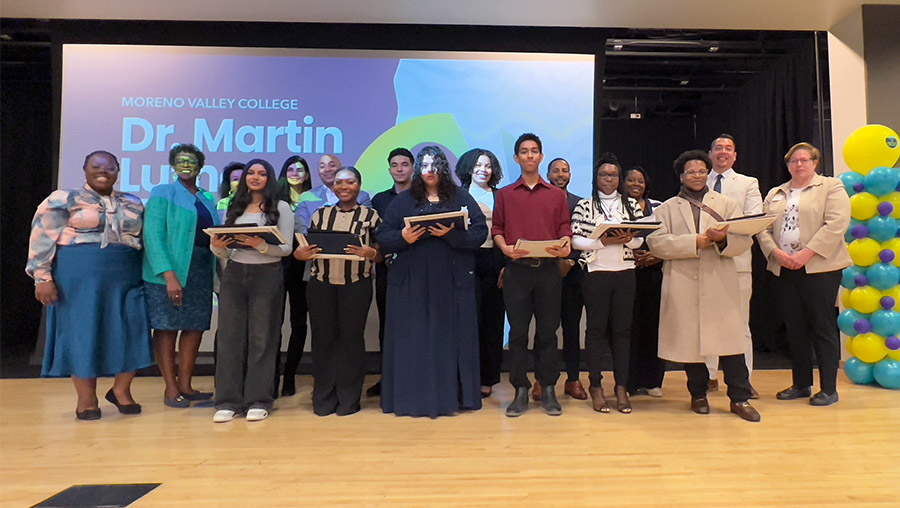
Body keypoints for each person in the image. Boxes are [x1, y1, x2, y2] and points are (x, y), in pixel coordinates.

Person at [27, 150, 152, 420]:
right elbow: (42, 237)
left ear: (118, 171)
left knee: (132, 329)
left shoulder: (133, 201)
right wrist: (42, 277)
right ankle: (86, 400)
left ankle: (121, 391)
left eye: (109, 167)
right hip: (79, 276)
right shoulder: (63, 198)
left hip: (127, 275)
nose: (102, 171)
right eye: (96, 166)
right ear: (85, 169)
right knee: (83, 333)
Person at [646, 150, 760, 422]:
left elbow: (745, 241)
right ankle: (698, 394)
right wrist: (693, 242)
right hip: (683, 282)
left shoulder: (727, 204)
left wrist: (722, 240)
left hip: (719, 281)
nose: (696, 176)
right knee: (691, 343)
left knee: (731, 344)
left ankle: (740, 397)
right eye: (690, 172)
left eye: (701, 171)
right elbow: (656, 243)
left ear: (708, 173)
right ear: (681, 176)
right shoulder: (666, 208)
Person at [376, 146, 488, 418]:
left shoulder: (460, 197)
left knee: (449, 341)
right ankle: (410, 398)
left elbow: (480, 232)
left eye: (435, 166)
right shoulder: (403, 201)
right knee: (414, 340)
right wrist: (404, 238)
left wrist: (451, 235)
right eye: (425, 167)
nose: (430, 172)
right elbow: (383, 236)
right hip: (412, 284)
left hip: (451, 282)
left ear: (443, 169)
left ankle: (454, 397)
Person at [757, 142, 851, 406]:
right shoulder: (776, 192)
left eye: (804, 160)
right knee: (794, 327)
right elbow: (762, 227)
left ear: (815, 163)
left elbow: (836, 224)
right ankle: (801, 384)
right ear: (787, 165)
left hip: (820, 268)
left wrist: (805, 254)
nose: (799, 164)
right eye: (793, 161)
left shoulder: (831, 187)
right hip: (784, 267)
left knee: (822, 327)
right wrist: (776, 253)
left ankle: (829, 389)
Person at [492, 133, 573, 417]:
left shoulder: (555, 194)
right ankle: (520, 389)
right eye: (524, 151)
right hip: (517, 272)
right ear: (516, 158)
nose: (529, 155)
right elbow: (498, 228)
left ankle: (548, 387)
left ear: (540, 157)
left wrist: (566, 244)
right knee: (517, 334)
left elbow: (564, 226)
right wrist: (505, 249)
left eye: (534, 151)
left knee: (549, 334)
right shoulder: (504, 194)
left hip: (549, 272)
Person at [209, 159, 294, 422]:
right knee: (230, 338)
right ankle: (228, 400)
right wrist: (216, 245)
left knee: (262, 338)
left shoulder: (281, 207)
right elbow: (225, 252)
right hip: (234, 273)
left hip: (266, 274)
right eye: (251, 173)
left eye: (262, 173)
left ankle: (259, 399)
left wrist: (261, 245)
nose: (256, 177)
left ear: (269, 178)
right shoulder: (234, 206)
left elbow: (287, 248)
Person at [294, 167, 381, 416]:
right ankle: (323, 397)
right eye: (339, 182)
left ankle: (349, 399)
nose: (344, 186)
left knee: (351, 342)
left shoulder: (371, 216)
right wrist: (300, 255)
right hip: (321, 285)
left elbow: (381, 253)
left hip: (356, 285)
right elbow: (307, 250)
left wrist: (372, 253)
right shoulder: (319, 216)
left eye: (350, 182)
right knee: (323, 341)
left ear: (359, 186)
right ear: (333, 187)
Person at [143, 143, 218, 408]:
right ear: (173, 166)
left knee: (195, 327)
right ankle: (171, 388)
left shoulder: (208, 198)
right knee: (166, 328)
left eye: (191, 162)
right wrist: (169, 276)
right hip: (169, 271)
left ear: (201, 167)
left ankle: (186, 384)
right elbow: (153, 235)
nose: (186, 166)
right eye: (180, 161)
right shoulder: (163, 192)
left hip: (200, 269)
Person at [570, 153, 644, 413]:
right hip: (595, 271)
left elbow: (640, 240)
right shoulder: (585, 205)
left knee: (623, 331)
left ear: (619, 178)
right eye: (604, 174)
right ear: (596, 178)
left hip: (625, 271)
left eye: (613, 175)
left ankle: (621, 387)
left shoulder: (632, 205)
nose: (609, 179)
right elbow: (576, 240)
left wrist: (626, 238)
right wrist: (603, 241)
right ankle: (596, 386)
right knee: (596, 331)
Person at [705, 134, 763, 397]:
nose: (723, 152)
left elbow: (753, 220)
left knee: (740, 322)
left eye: (728, 148)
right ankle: (710, 376)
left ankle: (743, 379)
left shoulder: (748, 183)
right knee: (706, 321)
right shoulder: (697, 180)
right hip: (704, 261)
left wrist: (722, 234)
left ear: (735, 155)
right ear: (710, 153)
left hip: (737, 262)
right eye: (718, 148)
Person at [455, 148, 507, 399]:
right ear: (467, 167)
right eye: (477, 165)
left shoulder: (502, 196)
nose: (482, 170)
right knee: (466, 322)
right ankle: (465, 376)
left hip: (494, 260)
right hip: (466, 260)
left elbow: (509, 231)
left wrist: (507, 264)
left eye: (487, 165)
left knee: (492, 321)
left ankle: (487, 378)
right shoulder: (457, 196)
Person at [366, 147, 414, 398]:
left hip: (416, 270)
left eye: (404, 164)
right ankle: (388, 379)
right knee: (387, 325)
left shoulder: (421, 197)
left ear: (412, 168)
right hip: (386, 270)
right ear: (389, 170)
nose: (399, 169)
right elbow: (375, 234)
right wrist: (380, 250)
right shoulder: (380, 200)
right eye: (394, 165)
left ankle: (413, 379)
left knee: (415, 325)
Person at [539, 157, 587, 401]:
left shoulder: (580, 203)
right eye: (555, 171)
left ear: (570, 175)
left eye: (564, 170)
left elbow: (583, 235)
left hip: (572, 276)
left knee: (571, 329)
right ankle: (541, 379)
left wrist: (569, 261)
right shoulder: (539, 200)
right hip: (544, 273)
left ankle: (574, 379)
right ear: (547, 175)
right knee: (545, 330)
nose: (560, 174)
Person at [623, 166, 666, 398]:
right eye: (631, 180)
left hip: (653, 272)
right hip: (626, 270)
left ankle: (653, 381)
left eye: (640, 180)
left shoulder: (659, 207)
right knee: (629, 328)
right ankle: (628, 382)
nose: (636, 184)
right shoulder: (615, 207)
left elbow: (668, 235)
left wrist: (655, 256)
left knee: (653, 327)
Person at [275, 155, 313, 397]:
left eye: (301, 170)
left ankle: (290, 376)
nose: (296, 173)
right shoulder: (274, 201)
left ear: (308, 175)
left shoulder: (314, 199)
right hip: (277, 263)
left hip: (304, 265)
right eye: (290, 169)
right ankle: (271, 376)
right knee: (273, 323)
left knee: (299, 323)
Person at [294, 154, 372, 234]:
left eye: (332, 165)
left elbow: (368, 229)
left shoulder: (361, 196)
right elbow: (301, 229)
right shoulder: (307, 197)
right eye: (322, 166)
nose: (327, 169)